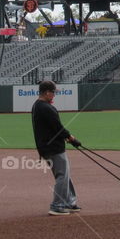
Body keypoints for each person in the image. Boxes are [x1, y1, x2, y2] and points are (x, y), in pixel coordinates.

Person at [31, 80, 81, 215]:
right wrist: (71, 138)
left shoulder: (37, 105)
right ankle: (57, 205)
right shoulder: (46, 108)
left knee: (65, 175)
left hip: (46, 146)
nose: (54, 95)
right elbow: (58, 128)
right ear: (47, 92)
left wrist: (66, 137)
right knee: (62, 175)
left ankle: (69, 202)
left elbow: (52, 128)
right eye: (53, 92)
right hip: (53, 148)